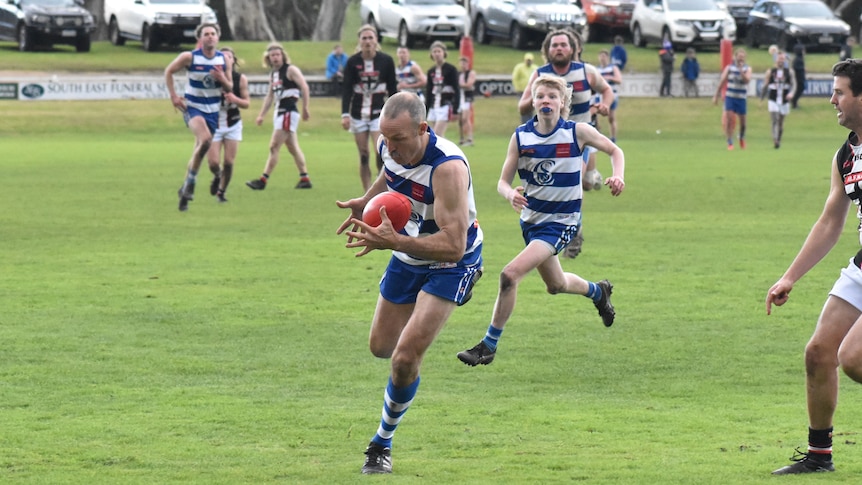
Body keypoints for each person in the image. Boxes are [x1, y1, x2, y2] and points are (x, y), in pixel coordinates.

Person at [335, 91, 484, 474]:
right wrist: (367, 201)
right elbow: (390, 172)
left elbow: (454, 245)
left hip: (452, 262)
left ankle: (381, 442)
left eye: (399, 139)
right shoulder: (390, 145)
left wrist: (393, 241)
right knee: (380, 348)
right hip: (408, 252)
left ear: (422, 128)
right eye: (385, 138)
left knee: (403, 359)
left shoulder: (447, 168)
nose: (390, 146)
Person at [457, 75, 624, 367]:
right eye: (541, 96)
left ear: (563, 103)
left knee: (509, 275)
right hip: (532, 221)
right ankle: (599, 291)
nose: (546, 101)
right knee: (556, 285)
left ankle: (488, 345)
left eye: (552, 96)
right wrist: (510, 194)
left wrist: (618, 175)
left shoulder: (577, 132)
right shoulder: (521, 137)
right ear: (533, 102)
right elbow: (502, 182)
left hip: (562, 221)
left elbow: (615, 151)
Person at [765, 59, 862, 476]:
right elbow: (830, 221)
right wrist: (790, 275)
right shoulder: (846, 155)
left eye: (839, 91)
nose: (832, 99)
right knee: (820, 352)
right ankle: (819, 457)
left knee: (854, 358)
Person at [517, 29, 614, 259]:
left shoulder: (586, 72)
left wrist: (605, 105)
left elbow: (606, 90)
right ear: (547, 50)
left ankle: (573, 225)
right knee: (579, 182)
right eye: (554, 45)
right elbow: (522, 106)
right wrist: (541, 97)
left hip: (580, 138)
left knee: (579, 180)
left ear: (573, 49)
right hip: (550, 140)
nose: (558, 48)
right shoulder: (540, 75)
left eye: (563, 45)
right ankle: (573, 228)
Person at [164, 23, 232, 212]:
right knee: (205, 140)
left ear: (218, 37)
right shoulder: (190, 57)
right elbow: (168, 71)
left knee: (201, 152)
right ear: (200, 38)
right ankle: (191, 185)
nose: (210, 37)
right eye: (206, 34)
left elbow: (229, 88)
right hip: (193, 108)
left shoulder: (224, 59)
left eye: (213, 34)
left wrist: (222, 79)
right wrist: (174, 96)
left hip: (213, 111)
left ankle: (186, 190)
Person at [246, 43, 312, 191]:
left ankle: (263, 180)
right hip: (280, 112)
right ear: (268, 58)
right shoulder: (273, 74)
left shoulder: (290, 70)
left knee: (274, 146)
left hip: (288, 112)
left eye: (277, 54)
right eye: (272, 55)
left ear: (282, 55)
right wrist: (261, 115)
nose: (275, 58)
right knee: (292, 147)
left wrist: (305, 107)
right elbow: (270, 96)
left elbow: (305, 87)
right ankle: (305, 178)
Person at [342, 24, 398, 192]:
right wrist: (345, 114)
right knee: (364, 155)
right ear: (359, 41)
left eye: (370, 38)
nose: (367, 41)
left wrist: (395, 112)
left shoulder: (386, 61)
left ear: (376, 41)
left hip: (378, 114)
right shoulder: (352, 62)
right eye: (364, 38)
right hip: (358, 114)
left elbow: (393, 89)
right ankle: (367, 191)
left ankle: (381, 189)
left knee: (379, 151)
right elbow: (346, 90)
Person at [206, 47, 249, 203]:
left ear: (233, 60)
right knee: (213, 163)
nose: (225, 60)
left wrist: (235, 99)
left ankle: (221, 193)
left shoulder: (240, 79)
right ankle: (218, 176)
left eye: (228, 57)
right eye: (222, 57)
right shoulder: (210, 78)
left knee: (229, 162)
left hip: (233, 123)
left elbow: (246, 104)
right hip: (214, 124)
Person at [713, 47, 751, 150]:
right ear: (735, 57)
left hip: (741, 98)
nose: (740, 59)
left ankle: (741, 137)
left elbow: (747, 80)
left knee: (743, 123)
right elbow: (722, 81)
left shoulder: (747, 68)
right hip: (730, 96)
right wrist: (716, 95)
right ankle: (730, 142)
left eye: (742, 58)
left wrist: (741, 71)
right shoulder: (729, 68)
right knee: (729, 119)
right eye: (739, 57)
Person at [760, 49, 795, 149]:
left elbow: (794, 84)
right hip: (773, 98)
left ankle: (778, 139)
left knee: (781, 121)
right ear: (776, 59)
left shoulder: (789, 72)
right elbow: (765, 84)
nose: (781, 61)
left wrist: (791, 93)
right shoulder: (770, 71)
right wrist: (762, 97)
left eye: (783, 59)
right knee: (774, 119)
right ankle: (775, 140)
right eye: (779, 59)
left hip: (784, 100)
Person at [425, 41, 459, 138]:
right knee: (431, 136)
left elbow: (456, 89)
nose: (437, 54)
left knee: (437, 135)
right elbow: (429, 91)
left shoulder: (451, 69)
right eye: (434, 52)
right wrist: (426, 109)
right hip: (433, 106)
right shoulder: (431, 71)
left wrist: (456, 109)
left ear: (444, 53)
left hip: (445, 105)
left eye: (439, 51)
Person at [596, 49, 622, 142]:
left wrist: (609, 77)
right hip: (599, 96)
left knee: (611, 117)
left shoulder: (613, 68)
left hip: (612, 95)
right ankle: (597, 136)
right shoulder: (597, 70)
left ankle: (613, 138)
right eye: (601, 56)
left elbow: (619, 79)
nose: (602, 58)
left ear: (607, 57)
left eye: (604, 56)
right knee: (595, 116)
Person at [512, 52, 537, 123]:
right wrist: (516, 88)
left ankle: (530, 123)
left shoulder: (535, 68)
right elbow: (515, 78)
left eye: (530, 60)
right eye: (527, 60)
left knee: (531, 109)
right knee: (524, 109)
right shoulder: (519, 67)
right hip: (522, 91)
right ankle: (525, 123)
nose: (529, 62)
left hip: (532, 92)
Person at [458, 56, 476, 146]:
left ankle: (470, 138)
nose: (463, 65)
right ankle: (462, 138)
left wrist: (459, 85)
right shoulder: (459, 74)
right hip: (459, 97)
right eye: (461, 63)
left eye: (464, 63)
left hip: (467, 98)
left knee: (466, 118)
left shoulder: (471, 73)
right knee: (460, 119)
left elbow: (469, 84)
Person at [791, 44, 806, 109]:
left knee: (800, 89)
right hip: (798, 78)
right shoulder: (798, 60)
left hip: (800, 78)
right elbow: (796, 68)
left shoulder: (799, 59)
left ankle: (794, 102)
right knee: (799, 89)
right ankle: (794, 102)